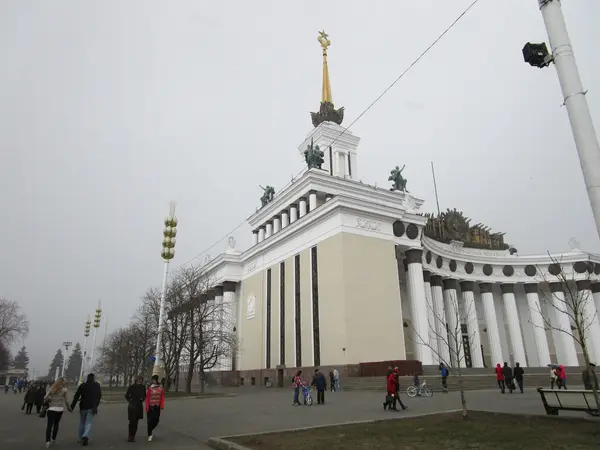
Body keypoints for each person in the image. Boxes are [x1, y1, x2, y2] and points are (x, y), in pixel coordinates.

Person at [71, 373, 102, 446]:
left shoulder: (82, 385)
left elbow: (76, 396)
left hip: (83, 406)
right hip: (92, 406)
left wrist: (72, 406)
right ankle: (85, 435)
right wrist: (96, 405)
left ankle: (79, 438)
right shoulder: (97, 385)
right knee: (88, 422)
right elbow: (99, 396)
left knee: (82, 422)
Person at [43, 378, 72, 448]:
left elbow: (45, 397)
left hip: (51, 409)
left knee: (49, 425)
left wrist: (50, 400)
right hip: (59, 409)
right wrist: (69, 408)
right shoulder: (64, 390)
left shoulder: (51, 389)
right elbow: (66, 401)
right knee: (56, 424)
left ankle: (47, 441)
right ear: (63, 383)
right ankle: (53, 439)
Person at [125, 375, 146, 442]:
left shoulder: (143, 387)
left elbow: (144, 395)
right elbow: (127, 395)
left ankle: (133, 436)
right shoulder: (131, 387)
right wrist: (130, 400)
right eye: (139, 379)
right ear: (136, 380)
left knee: (136, 422)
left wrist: (142, 398)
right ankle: (130, 435)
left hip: (139, 406)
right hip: (132, 406)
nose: (140, 381)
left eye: (141, 380)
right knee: (131, 422)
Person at [145, 375, 165, 442]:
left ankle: (151, 430)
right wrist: (147, 406)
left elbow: (162, 397)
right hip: (150, 406)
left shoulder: (160, 387)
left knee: (156, 420)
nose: (153, 381)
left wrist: (162, 405)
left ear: (157, 380)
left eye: (154, 380)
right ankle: (149, 434)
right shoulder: (149, 387)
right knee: (150, 421)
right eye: (152, 380)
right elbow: (147, 397)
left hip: (157, 406)